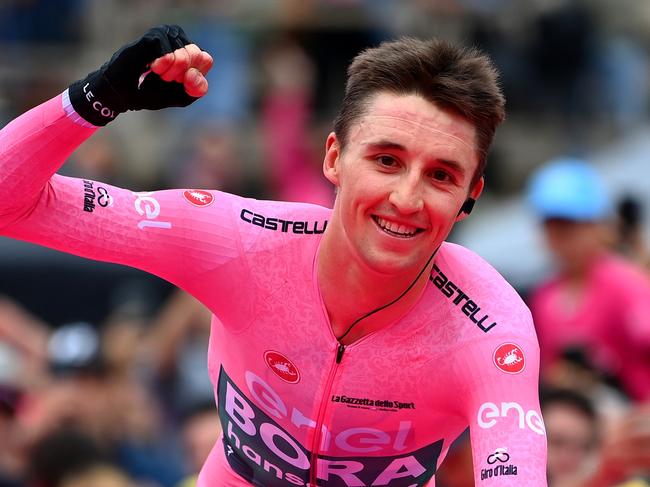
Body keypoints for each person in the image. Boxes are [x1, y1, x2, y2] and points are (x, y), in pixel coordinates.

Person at [0, 25, 546, 486]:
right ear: (333, 158)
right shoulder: (237, 242)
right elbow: (9, 201)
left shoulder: (489, 329)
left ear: (471, 198)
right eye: (385, 160)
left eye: (441, 176)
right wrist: (99, 99)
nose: (406, 199)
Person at [527, 158, 650, 402]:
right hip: (585, 427)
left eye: (570, 226)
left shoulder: (625, 283)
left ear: (596, 226)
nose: (561, 238)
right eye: (552, 227)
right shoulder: (544, 296)